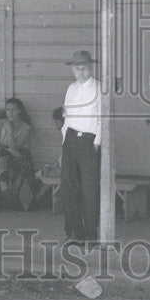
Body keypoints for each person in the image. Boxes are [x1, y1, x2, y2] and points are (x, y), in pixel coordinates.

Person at [60, 50, 102, 245]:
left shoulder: (99, 89)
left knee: (89, 189)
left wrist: (96, 143)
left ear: (90, 68)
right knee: (69, 187)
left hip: (88, 141)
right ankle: (74, 232)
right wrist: (64, 144)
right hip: (70, 140)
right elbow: (66, 118)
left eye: (83, 68)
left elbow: (103, 119)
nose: (80, 72)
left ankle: (91, 234)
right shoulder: (71, 89)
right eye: (76, 69)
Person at [0, 98, 34, 213]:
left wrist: (10, 129)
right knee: (1, 156)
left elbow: (15, 147)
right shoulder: (0, 123)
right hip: (2, 155)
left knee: (0, 157)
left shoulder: (26, 128)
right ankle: (3, 184)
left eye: (13, 110)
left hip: (19, 156)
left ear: (20, 111)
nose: (10, 113)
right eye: (7, 109)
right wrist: (3, 147)